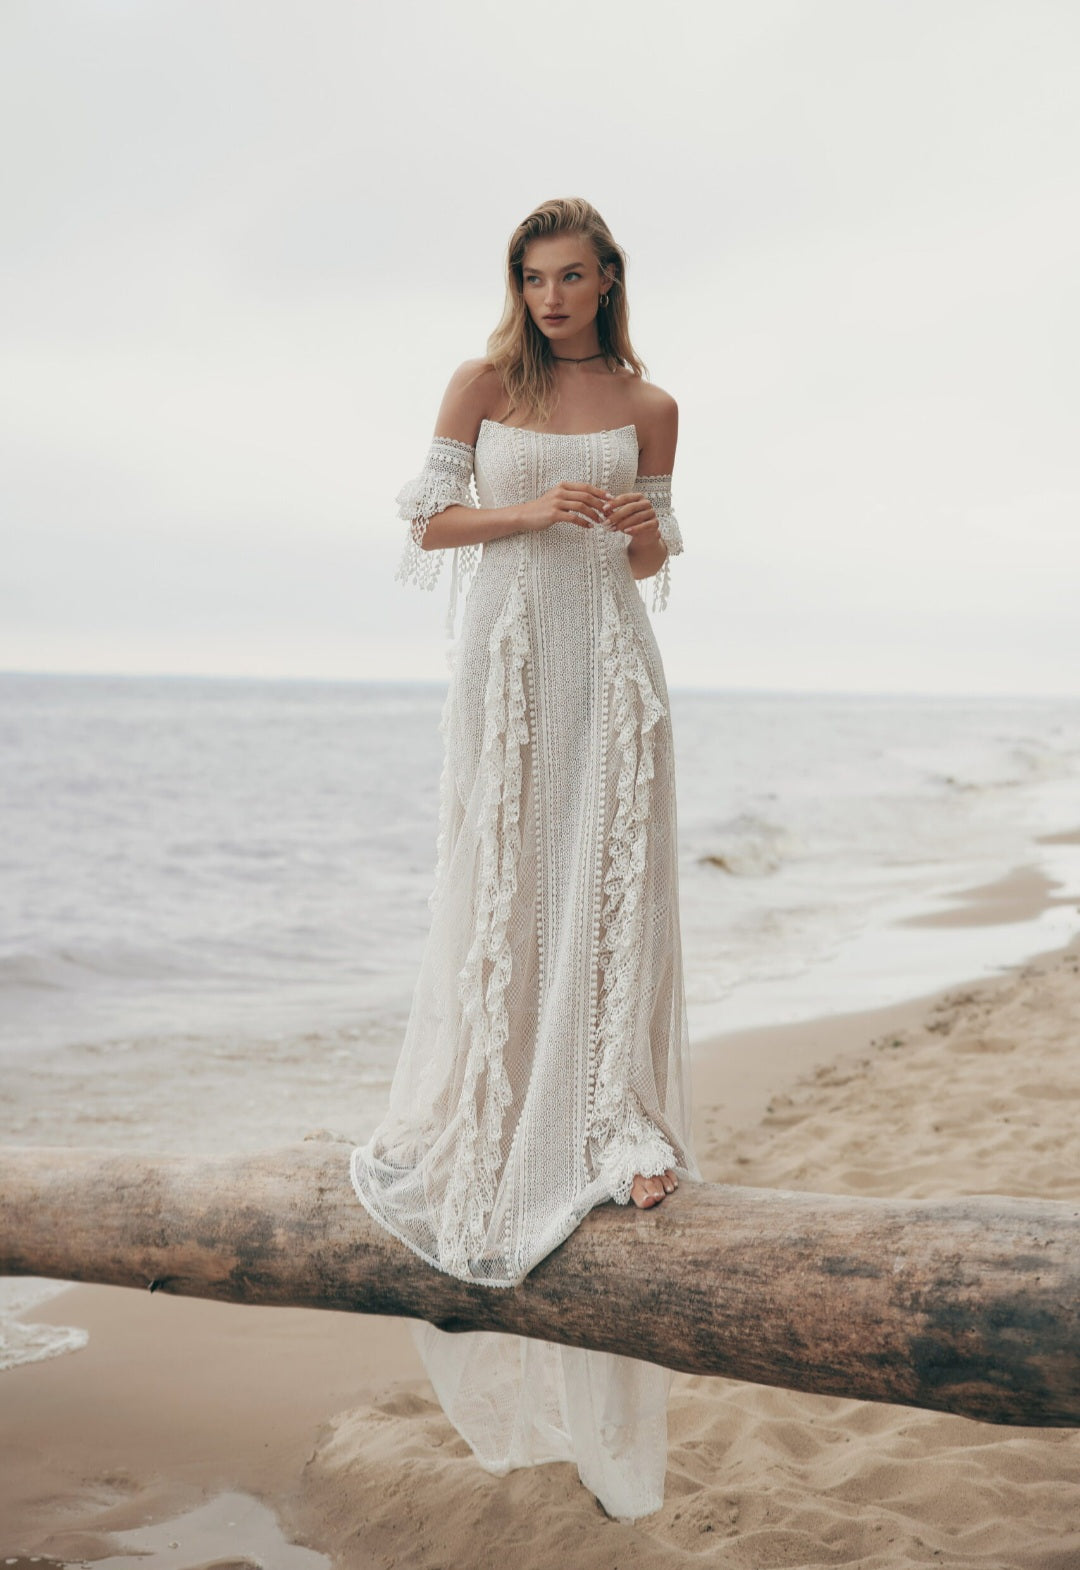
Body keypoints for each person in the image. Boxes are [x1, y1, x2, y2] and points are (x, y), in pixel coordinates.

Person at [349, 195, 701, 1521]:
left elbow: (658, 552)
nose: (551, 297)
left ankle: (614, 1123)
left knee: (606, 900)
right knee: (507, 891)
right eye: (532, 276)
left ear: (609, 277)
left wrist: (624, 520)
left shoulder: (655, 403)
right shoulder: (482, 381)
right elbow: (424, 528)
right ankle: (499, 1115)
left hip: (610, 674)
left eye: (571, 276)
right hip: (506, 670)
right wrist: (535, 509)